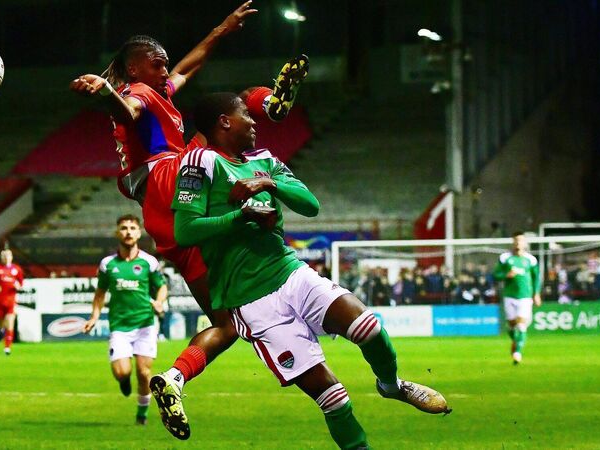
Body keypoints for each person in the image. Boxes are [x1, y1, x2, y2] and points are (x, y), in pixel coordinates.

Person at [151, 93, 450, 445]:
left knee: (369, 327)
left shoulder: (264, 160)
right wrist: (240, 217)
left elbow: (311, 206)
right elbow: (184, 231)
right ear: (224, 121)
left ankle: (391, 385)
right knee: (333, 397)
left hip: (290, 273)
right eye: (246, 114)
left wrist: (269, 183)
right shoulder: (199, 162)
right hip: (250, 300)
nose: (254, 121)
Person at [69, 0, 309, 410]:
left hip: (159, 210)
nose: (166, 70)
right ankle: (267, 108)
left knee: (227, 323)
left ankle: (174, 379)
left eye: (165, 64)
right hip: (168, 174)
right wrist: (106, 91)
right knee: (232, 106)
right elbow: (127, 112)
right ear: (134, 69)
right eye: (157, 64)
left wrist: (223, 28)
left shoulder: (157, 90)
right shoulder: (138, 92)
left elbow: (188, 67)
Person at [82, 214, 168, 426]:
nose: (128, 231)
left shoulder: (149, 262)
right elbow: (100, 293)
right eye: (123, 228)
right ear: (117, 233)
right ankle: (123, 381)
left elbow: (162, 286)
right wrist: (94, 316)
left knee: (144, 372)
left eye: (132, 228)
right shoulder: (107, 265)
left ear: (139, 233)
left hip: (145, 325)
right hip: (119, 327)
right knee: (122, 372)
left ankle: (142, 415)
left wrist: (159, 301)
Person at [493, 231, 542, 364]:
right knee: (512, 326)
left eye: (521, 240)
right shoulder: (505, 258)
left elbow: (536, 277)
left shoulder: (530, 260)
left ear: (525, 243)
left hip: (525, 296)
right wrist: (506, 275)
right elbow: (496, 274)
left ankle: (517, 352)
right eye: (516, 240)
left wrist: (536, 293)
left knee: (521, 325)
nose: (518, 243)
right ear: (513, 242)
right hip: (509, 296)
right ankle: (517, 342)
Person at [0, 249, 24, 355]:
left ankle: (7, 348)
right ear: (1, 257)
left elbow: (21, 283)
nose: (6, 257)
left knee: (10, 323)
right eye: (4, 255)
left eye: (8, 255)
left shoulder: (17, 269)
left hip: (11, 301)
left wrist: (18, 286)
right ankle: (0, 334)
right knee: (1, 324)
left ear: (11, 257)